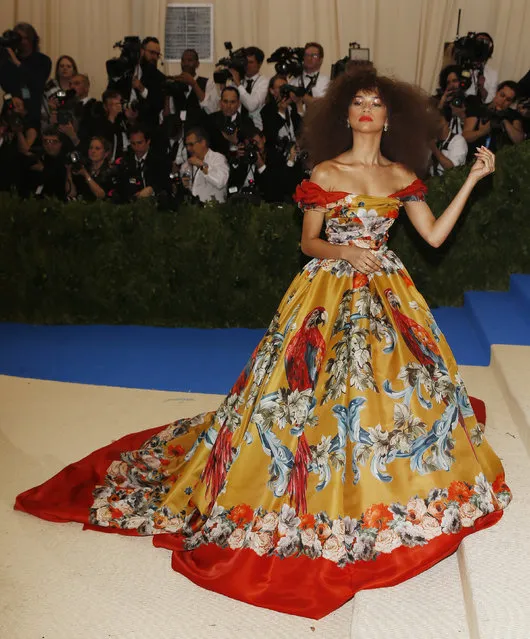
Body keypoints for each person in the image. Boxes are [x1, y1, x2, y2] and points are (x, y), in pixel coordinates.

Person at [14, 67, 510, 620]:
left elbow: (435, 235)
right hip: (328, 294)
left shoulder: (401, 174)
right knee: (307, 395)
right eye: (358, 101)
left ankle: (384, 488)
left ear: (389, 117)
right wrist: (346, 253)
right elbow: (309, 241)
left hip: (389, 297)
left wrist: (472, 177)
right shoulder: (326, 170)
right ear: (345, 114)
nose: (367, 108)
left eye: (376, 102)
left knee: (396, 392)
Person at [463, 80, 524, 159]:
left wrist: (504, 120)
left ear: (511, 103)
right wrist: (481, 132)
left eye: (508, 100)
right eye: (502, 95)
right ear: (496, 92)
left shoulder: (514, 116)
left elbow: (519, 140)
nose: (503, 101)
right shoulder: (478, 109)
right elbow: (465, 136)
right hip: (474, 159)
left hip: (499, 162)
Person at [180, 126, 229, 203]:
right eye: (186, 145)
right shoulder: (186, 165)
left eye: (191, 144)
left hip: (214, 209)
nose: (188, 148)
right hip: (193, 210)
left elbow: (220, 182)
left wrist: (202, 166)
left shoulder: (218, 158)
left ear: (203, 142)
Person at [429, 107, 468, 176]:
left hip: (448, 184)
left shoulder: (458, 140)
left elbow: (451, 168)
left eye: (438, 120)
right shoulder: (432, 139)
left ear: (447, 122)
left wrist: (434, 149)